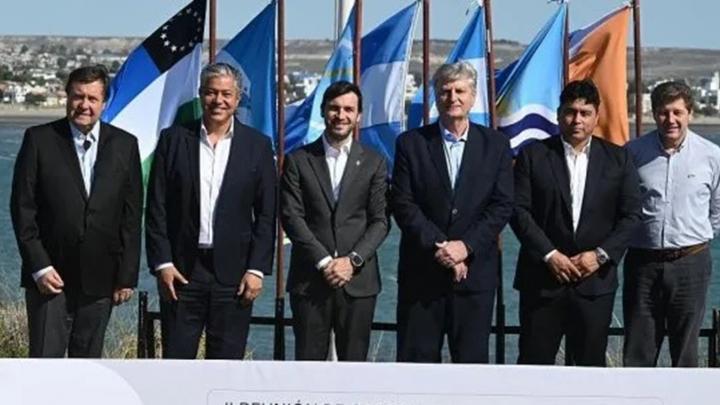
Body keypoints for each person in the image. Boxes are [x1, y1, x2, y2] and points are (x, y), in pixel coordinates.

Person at [145, 62, 276, 359]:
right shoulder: (173, 139)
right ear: (201, 94)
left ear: (238, 98)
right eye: (211, 92)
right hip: (181, 273)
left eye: (226, 94)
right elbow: (156, 207)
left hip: (234, 277)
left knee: (226, 367)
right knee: (177, 365)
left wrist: (256, 269)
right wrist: (162, 263)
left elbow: (267, 214)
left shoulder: (257, 146)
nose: (219, 100)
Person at [10, 65, 142, 357]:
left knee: (89, 368)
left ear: (104, 102)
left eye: (92, 98)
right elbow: (22, 208)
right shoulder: (39, 140)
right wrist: (39, 267)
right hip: (49, 279)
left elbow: (131, 217)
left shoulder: (125, 145)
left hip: (101, 279)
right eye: (78, 96)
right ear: (67, 97)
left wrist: (126, 275)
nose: (84, 105)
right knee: (45, 363)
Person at [510, 79, 641, 366]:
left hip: (594, 283)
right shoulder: (533, 156)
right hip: (542, 281)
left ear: (597, 116)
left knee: (589, 371)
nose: (577, 119)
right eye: (570, 112)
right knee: (533, 367)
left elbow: (632, 216)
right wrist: (550, 255)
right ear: (559, 115)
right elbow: (519, 211)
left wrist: (600, 256)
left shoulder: (618, 159)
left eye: (585, 113)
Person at [391, 61, 514, 363]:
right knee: (417, 369)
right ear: (436, 97)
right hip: (422, 276)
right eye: (445, 91)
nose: (453, 98)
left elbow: (501, 205)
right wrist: (443, 247)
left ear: (473, 97)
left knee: (471, 370)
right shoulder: (411, 144)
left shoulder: (496, 145)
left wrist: (465, 247)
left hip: (474, 278)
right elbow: (403, 204)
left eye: (460, 91)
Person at [281, 81, 389, 361]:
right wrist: (325, 262)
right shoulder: (298, 160)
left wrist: (352, 261)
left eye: (348, 109)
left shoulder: (374, 162)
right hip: (310, 279)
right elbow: (292, 216)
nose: (341, 115)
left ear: (358, 115)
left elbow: (380, 221)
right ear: (323, 111)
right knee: (308, 367)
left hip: (358, 282)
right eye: (334, 108)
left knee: (354, 370)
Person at [623, 81, 720, 367]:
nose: (671, 120)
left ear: (690, 113)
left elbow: (717, 211)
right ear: (654, 114)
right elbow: (623, 206)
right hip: (643, 263)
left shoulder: (712, 156)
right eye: (664, 112)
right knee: (638, 351)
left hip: (691, 262)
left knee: (686, 352)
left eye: (678, 112)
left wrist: (691, 236)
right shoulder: (633, 153)